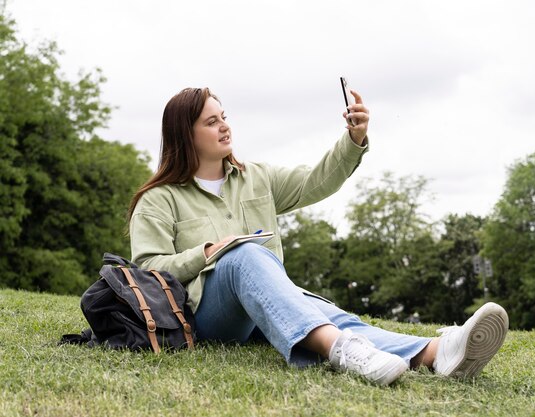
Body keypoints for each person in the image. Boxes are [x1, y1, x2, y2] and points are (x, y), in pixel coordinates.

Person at [128, 87, 509, 386]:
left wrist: (354, 138)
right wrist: (208, 252)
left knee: (321, 309)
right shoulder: (158, 199)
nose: (225, 126)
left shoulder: (256, 177)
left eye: (224, 117)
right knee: (243, 255)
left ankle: (438, 353)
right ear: (185, 133)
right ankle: (339, 351)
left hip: (264, 308)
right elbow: (147, 269)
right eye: (211, 122)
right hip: (205, 317)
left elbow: (315, 181)